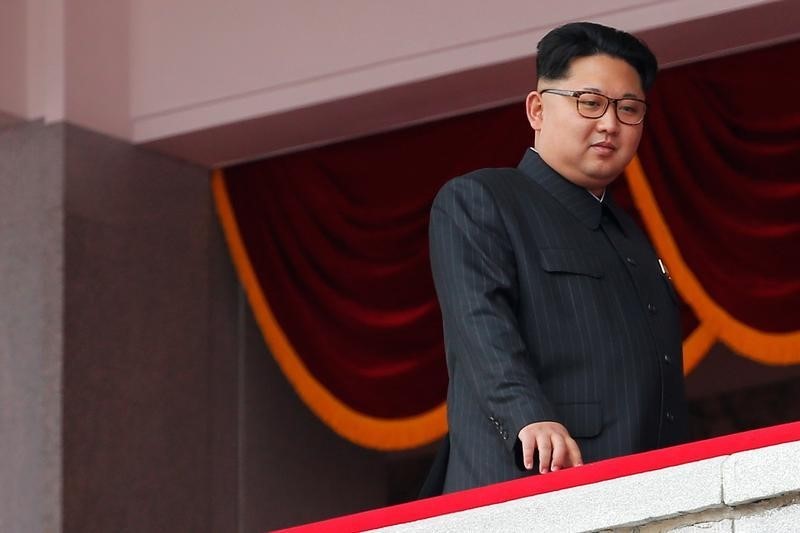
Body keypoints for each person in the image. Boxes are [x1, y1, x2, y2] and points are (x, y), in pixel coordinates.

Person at [426, 21, 688, 494]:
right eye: (590, 103)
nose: (610, 123)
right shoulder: (483, 199)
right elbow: (480, 322)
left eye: (629, 109)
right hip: (528, 487)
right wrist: (529, 417)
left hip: (644, 493)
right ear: (537, 109)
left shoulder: (631, 237)